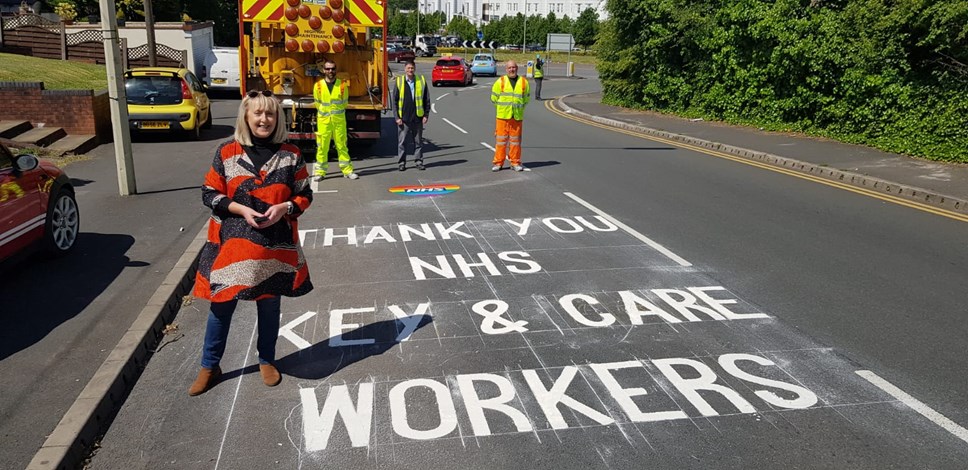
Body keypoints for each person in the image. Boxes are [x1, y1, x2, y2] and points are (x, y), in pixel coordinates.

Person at [189, 89, 314, 396]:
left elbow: (305, 194)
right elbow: (209, 193)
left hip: (274, 246)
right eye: (257, 113)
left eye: (270, 113)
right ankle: (210, 366)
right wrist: (240, 208)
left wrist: (285, 207)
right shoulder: (227, 152)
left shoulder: (291, 154)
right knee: (221, 307)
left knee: (269, 307)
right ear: (246, 115)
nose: (264, 119)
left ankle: (267, 360)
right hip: (231, 246)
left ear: (277, 118)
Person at [313, 60, 358, 180]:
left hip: (338, 121)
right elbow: (317, 103)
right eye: (327, 69)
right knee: (322, 147)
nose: (330, 71)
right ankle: (320, 172)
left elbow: (344, 103)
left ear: (335, 70)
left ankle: (347, 171)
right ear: (323, 70)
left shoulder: (342, 85)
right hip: (324, 121)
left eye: (332, 68)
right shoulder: (318, 86)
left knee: (342, 145)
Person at [490, 60, 530, 172]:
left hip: (516, 116)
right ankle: (498, 163)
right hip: (502, 117)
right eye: (509, 68)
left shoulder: (523, 82)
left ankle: (515, 162)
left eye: (514, 67)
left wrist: (518, 109)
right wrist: (502, 109)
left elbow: (526, 99)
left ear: (517, 68)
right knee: (501, 141)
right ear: (506, 69)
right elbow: (494, 98)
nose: (512, 69)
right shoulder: (500, 81)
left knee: (515, 142)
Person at [391, 60, 430, 171]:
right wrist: (397, 118)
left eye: (412, 68)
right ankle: (401, 163)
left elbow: (426, 99)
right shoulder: (399, 82)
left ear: (415, 69)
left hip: (418, 117)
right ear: (405, 69)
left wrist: (426, 115)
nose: (410, 70)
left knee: (418, 142)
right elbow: (394, 101)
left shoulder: (421, 81)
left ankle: (419, 161)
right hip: (404, 118)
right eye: (408, 68)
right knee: (402, 142)